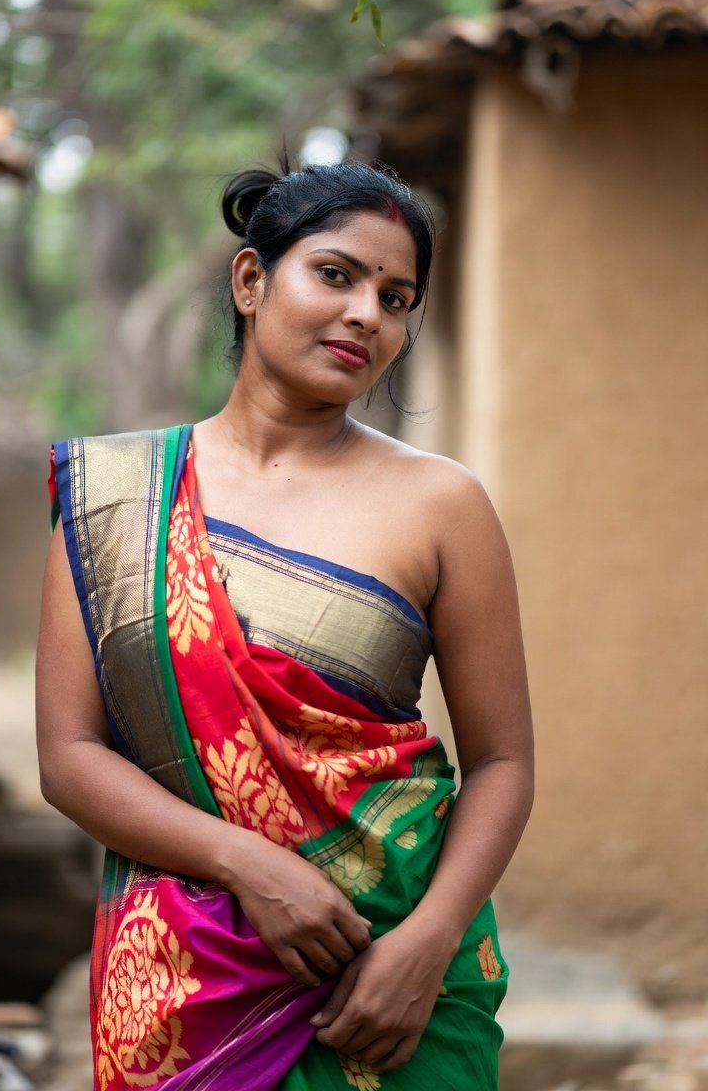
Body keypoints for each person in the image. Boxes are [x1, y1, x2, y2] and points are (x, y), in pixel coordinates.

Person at [36, 161, 534, 1091]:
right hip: (191, 985)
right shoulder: (117, 501)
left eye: (396, 298)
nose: (366, 316)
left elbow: (503, 762)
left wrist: (425, 947)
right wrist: (249, 866)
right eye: (336, 275)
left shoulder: (441, 505)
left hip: (391, 977)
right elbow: (69, 754)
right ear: (252, 281)